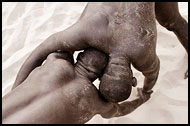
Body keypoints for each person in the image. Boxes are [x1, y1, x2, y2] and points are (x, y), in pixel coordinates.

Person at [12, 2, 188, 103]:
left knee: (173, 22)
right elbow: (40, 52)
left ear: (134, 79)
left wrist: (147, 91)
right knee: (173, 22)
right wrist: (16, 91)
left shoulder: (142, 52)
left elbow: (152, 75)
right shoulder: (86, 32)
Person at [2, 48, 153, 124]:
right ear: (101, 78)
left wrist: (16, 90)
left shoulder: (56, 61)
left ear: (79, 57)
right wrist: (141, 99)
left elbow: (49, 49)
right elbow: (120, 110)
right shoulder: (94, 101)